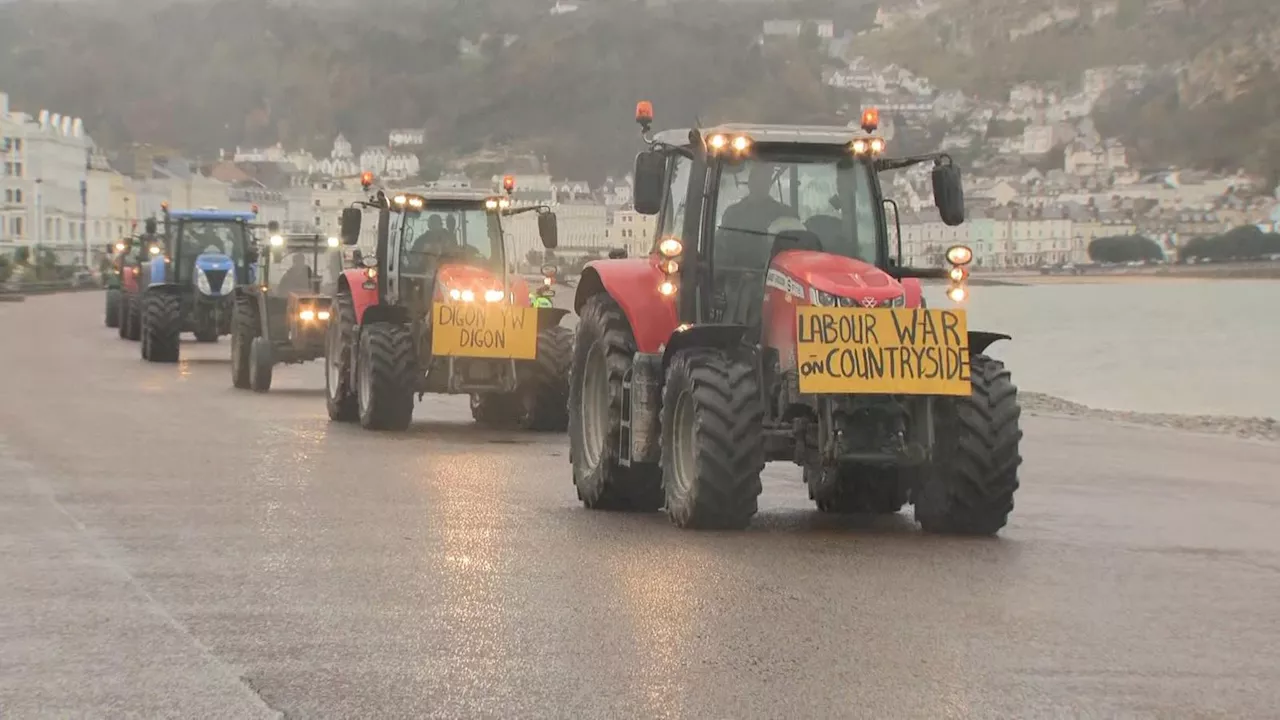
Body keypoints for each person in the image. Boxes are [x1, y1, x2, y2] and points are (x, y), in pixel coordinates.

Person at [717, 163, 797, 267]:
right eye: (757, 180)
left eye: (764, 180)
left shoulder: (785, 214)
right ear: (750, 183)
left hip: (775, 274)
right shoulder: (732, 213)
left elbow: (796, 246)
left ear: (769, 184)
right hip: (736, 272)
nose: (760, 184)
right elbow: (721, 247)